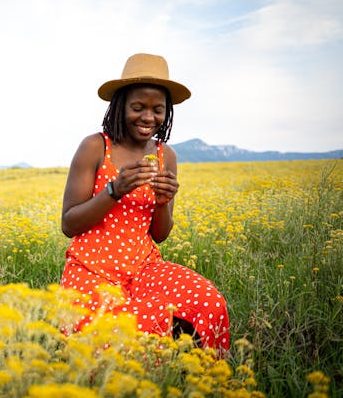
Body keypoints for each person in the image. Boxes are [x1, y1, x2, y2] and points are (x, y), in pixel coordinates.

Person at [60, 53, 229, 352]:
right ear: (121, 105)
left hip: (143, 268)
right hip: (91, 269)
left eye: (158, 110)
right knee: (116, 327)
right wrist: (114, 190)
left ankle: (203, 377)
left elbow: (160, 234)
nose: (148, 118)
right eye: (138, 107)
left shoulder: (167, 156)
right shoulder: (95, 147)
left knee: (208, 302)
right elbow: (69, 224)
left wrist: (163, 201)